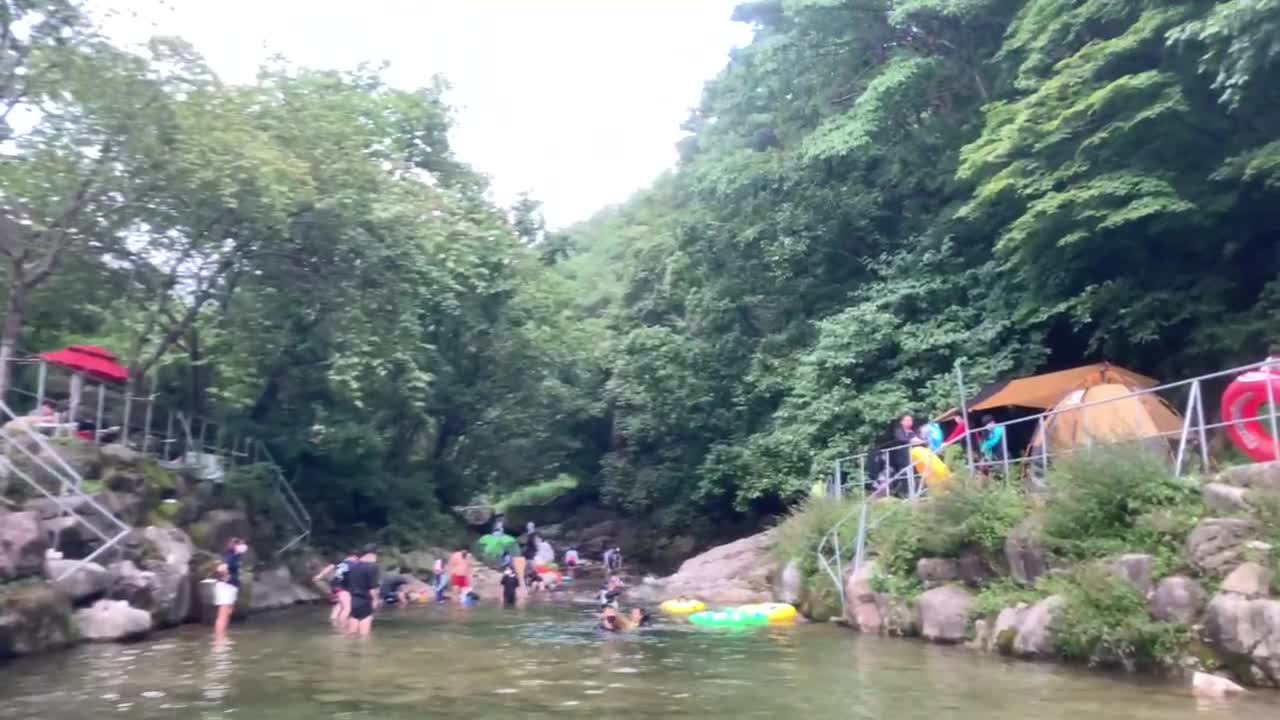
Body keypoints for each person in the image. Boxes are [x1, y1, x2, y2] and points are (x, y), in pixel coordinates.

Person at [313, 551, 357, 627]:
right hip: (342, 588)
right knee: (347, 607)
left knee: (339, 604)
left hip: (335, 587)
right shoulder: (353, 564)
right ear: (355, 557)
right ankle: (343, 626)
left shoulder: (342, 563)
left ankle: (333, 622)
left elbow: (330, 567)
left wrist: (319, 576)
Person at [345, 545, 380, 636]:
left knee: (352, 633)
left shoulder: (353, 566)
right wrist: (376, 600)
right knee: (364, 635)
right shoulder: (372, 567)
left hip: (353, 600)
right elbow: (373, 588)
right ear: (372, 554)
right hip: (365, 600)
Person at [212, 563, 238, 641]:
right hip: (225, 588)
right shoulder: (229, 557)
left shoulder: (234, 557)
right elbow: (220, 569)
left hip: (230, 588)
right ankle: (219, 638)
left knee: (227, 614)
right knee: (223, 615)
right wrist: (226, 576)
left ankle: (222, 635)